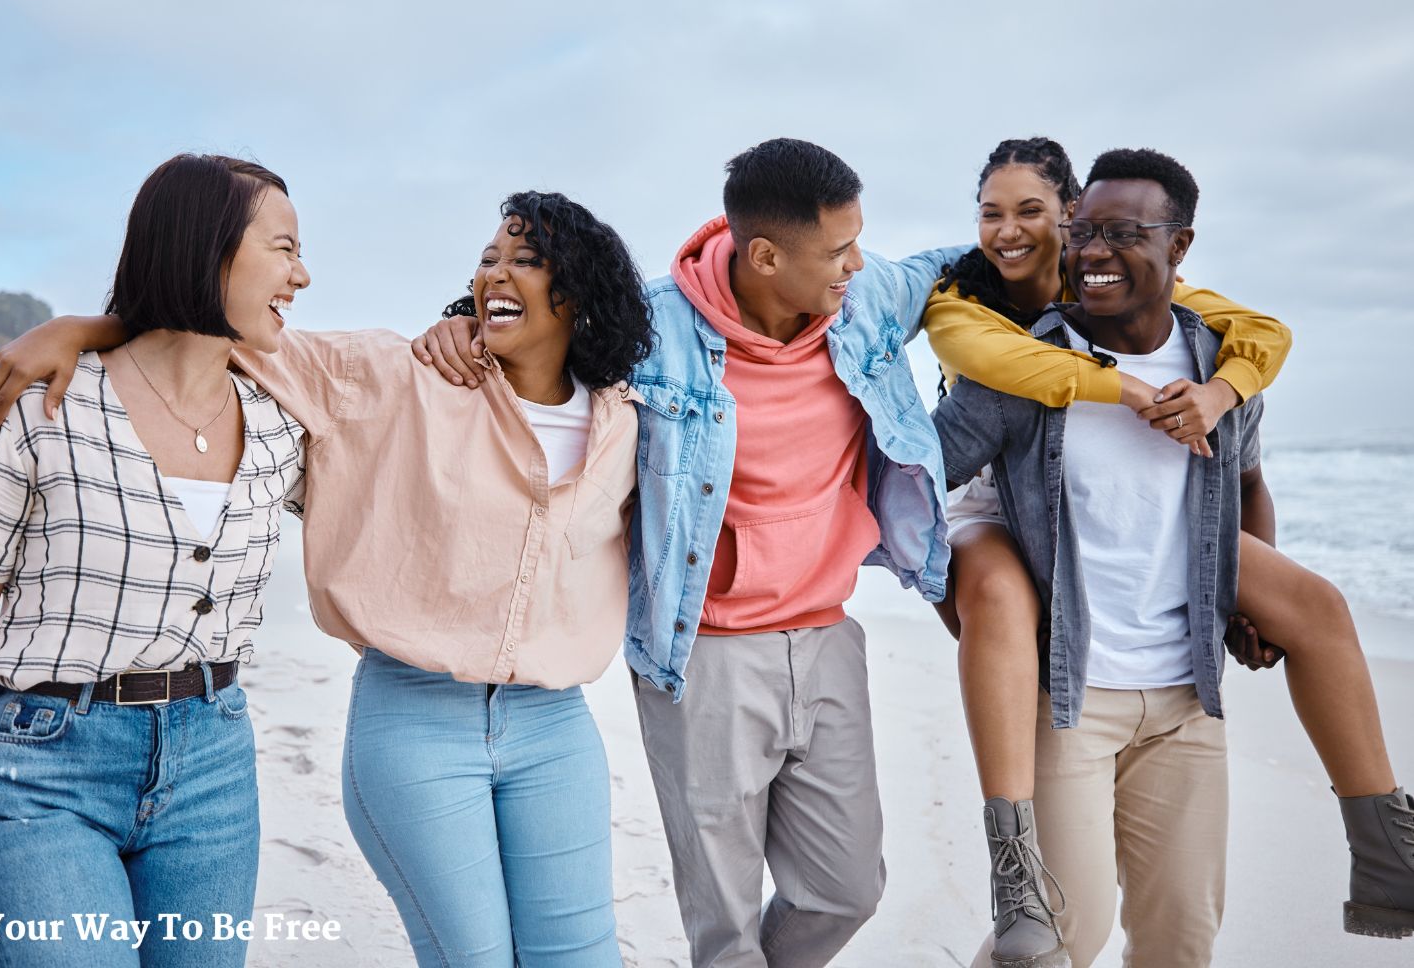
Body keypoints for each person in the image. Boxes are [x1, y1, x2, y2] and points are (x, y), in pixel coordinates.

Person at [0, 190, 654, 967]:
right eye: (490, 257)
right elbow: (226, 336)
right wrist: (79, 327)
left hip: (555, 727)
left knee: (582, 954)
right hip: (419, 721)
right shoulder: (402, 376)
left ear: (581, 290)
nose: (496, 273)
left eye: (526, 260)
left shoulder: (625, 420)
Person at [415, 138, 969, 968]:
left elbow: (950, 264)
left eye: (859, 241)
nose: (856, 262)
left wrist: (1067, 236)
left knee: (847, 890)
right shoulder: (651, 327)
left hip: (826, 639)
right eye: (837, 249)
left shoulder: (864, 296)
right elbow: (535, 331)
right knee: (725, 921)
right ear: (766, 254)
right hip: (701, 656)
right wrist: (461, 319)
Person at [926, 138, 1413, 964]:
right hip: (1071, 703)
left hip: (1186, 702)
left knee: (1181, 943)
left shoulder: (1218, 358)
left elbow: (1249, 482)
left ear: (1177, 246)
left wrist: (1244, 607)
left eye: (1121, 233)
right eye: (1083, 232)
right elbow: (908, 489)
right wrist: (974, 614)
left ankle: (1386, 846)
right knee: (1058, 942)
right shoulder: (1018, 366)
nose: (1093, 252)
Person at [0, 153, 310, 967]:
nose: (303, 274)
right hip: (43, 772)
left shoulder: (283, 421)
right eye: (283, 248)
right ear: (209, 249)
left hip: (214, 770)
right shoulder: (43, 402)